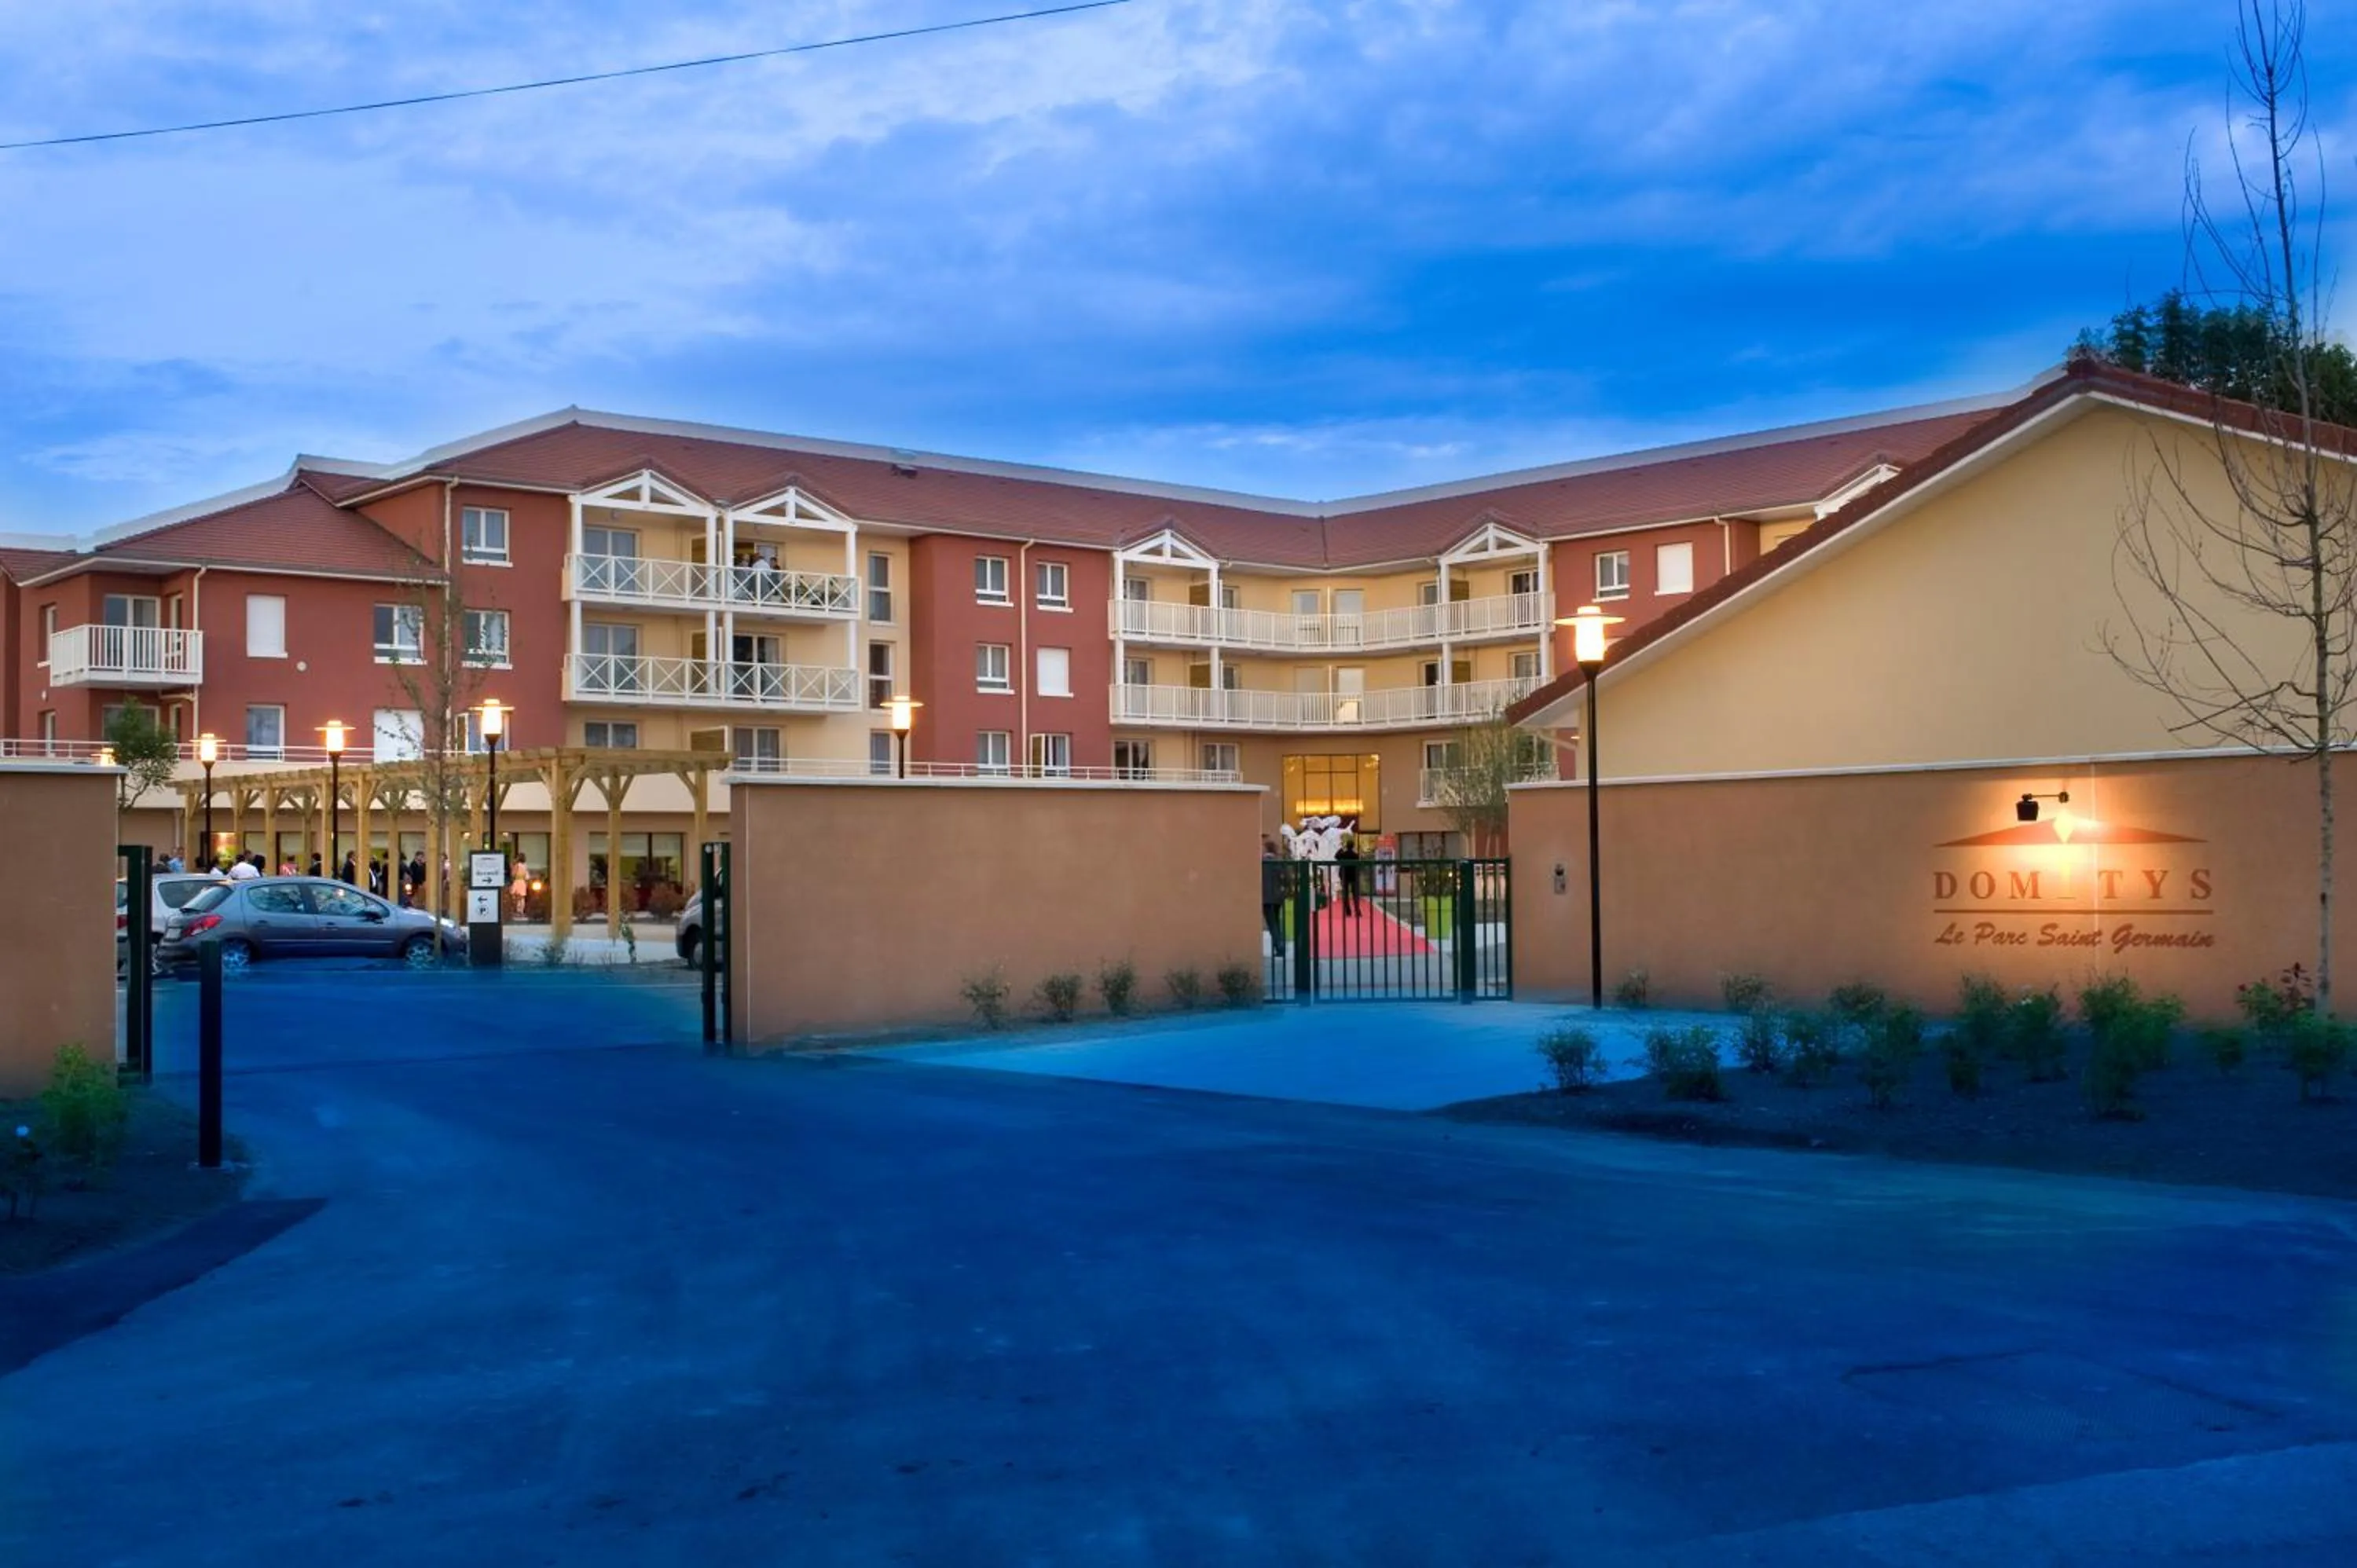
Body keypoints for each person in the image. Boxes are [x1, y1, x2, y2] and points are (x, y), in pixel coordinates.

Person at [1261, 836, 1288, 958]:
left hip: (1266, 897)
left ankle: (1279, 946)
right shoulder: (1279, 862)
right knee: (1277, 921)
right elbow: (1286, 879)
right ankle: (1280, 944)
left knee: (1272, 924)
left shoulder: (1262, 863)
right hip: (1277, 898)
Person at [1336, 832, 1363, 917]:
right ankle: (1357, 911)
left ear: (1347, 846)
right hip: (1354, 876)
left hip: (1344, 875)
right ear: (1353, 846)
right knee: (1355, 894)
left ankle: (1348, 911)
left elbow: (1336, 856)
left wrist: (1342, 848)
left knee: (1345, 894)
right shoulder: (1356, 855)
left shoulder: (1343, 854)